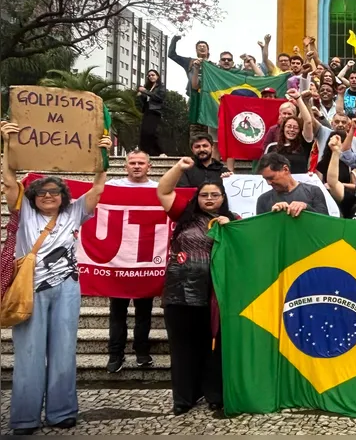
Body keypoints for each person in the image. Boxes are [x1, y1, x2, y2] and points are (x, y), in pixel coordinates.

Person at [1, 122, 111, 435]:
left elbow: (99, 188)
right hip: (30, 288)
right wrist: (8, 144)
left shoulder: (74, 212)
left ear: (63, 196)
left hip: (67, 288)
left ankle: (62, 412)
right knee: (30, 352)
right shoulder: (23, 212)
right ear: (33, 197)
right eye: (42, 193)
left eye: (55, 192)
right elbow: (9, 181)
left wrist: (103, 154)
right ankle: (25, 417)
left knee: (64, 349)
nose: (48, 196)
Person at [156, 158, 237, 415]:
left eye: (215, 195)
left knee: (213, 347)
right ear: (197, 198)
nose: (210, 198)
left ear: (223, 199)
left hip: (216, 294)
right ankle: (183, 398)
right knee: (182, 348)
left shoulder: (234, 220)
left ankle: (214, 394)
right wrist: (179, 168)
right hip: (179, 293)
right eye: (204, 195)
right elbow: (163, 191)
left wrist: (232, 230)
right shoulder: (184, 215)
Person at [105, 151, 158, 374]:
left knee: (144, 313)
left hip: (145, 259)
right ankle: (115, 355)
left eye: (141, 163)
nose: (137, 166)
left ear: (150, 166)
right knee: (117, 313)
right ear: (125, 166)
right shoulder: (113, 186)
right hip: (118, 260)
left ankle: (142, 352)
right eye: (132, 163)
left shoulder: (158, 188)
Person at [255, 153, 328, 216]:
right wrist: (272, 216)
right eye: (266, 179)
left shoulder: (313, 191)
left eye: (271, 178)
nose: (269, 183)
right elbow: (261, 230)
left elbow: (326, 223)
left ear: (285, 169)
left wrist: (306, 208)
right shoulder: (263, 200)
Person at [137, 69, 166, 156]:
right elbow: (145, 101)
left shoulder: (161, 87)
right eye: (149, 75)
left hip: (155, 111)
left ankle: (159, 152)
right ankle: (145, 152)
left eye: (153, 75)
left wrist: (145, 91)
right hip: (147, 111)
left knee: (151, 132)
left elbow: (158, 98)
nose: (151, 77)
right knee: (144, 132)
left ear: (157, 76)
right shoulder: (148, 87)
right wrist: (141, 95)